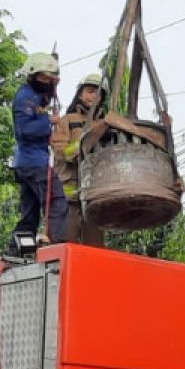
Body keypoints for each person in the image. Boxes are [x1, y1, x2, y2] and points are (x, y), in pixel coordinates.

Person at [11, 52, 68, 249]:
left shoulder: (35, 96)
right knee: (56, 200)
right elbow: (24, 130)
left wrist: (54, 84)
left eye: (49, 78)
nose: (46, 82)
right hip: (35, 163)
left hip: (26, 164)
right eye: (43, 78)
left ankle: (19, 248)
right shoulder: (25, 97)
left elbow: (43, 101)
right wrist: (48, 121)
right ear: (33, 76)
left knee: (31, 211)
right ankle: (55, 242)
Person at [51, 73, 106, 246]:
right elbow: (59, 149)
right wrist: (81, 149)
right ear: (80, 94)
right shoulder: (67, 121)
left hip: (95, 198)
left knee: (95, 251)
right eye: (89, 91)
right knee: (65, 245)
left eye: (98, 93)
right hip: (69, 198)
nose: (93, 96)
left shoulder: (106, 124)